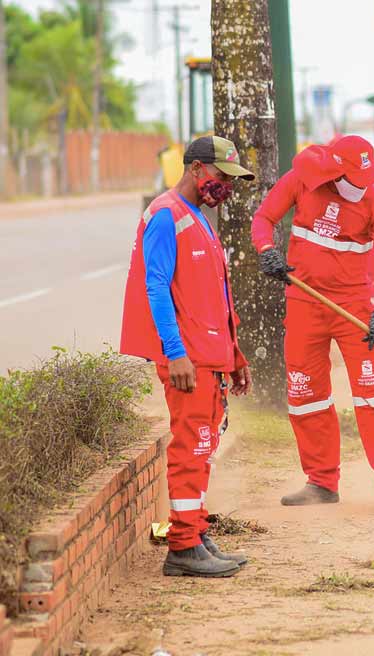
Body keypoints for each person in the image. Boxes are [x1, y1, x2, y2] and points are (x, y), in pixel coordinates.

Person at [252, 135, 374, 510]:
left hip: (354, 307)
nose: (363, 184)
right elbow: (264, 218)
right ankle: (321, 481)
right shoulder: (301, 181)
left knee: (371, 391)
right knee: (305, 392)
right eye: (355, 176)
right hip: (304, 301)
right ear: (335, 170)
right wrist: (267, 251)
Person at [120, 135, 255, 578]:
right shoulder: (166, 216)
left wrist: (233, 356)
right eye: (222, 177)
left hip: (209, 356)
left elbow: (213, 295)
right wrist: (175, 353)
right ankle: (182, 546)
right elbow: (155, 286)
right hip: (188, 361)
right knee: (190, 447)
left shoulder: (197, 217)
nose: (227, 187)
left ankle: (194, 533)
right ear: (197, 169)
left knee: (204, 446)